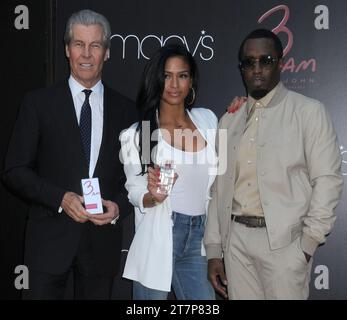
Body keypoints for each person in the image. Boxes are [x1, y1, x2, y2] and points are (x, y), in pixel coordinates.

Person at [2, 9, 135, 299]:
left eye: (95, 45)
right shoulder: (38, 104)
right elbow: (15, 170)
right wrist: (60, 198)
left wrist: (118, 209)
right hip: (48, 243)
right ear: (66, 49)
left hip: (101, 245)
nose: (86, 54)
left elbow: (135, 178)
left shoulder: (127, 110)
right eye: (78, 44)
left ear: (107, 52)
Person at [204, 29, 343, 300]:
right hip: (236, 244)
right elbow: (219, 189)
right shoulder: (229, 121)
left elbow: (328, 180)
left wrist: (306, 245)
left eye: (265, 60)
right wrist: (214, 249)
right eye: (249, 62)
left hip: (285, 245)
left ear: (280, 63)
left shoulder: (309, 112)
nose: (257, 69)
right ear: (241, 68)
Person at [120, 44, 217, 300]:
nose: (174, 84)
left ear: (191, 80)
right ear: (156, 79)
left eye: (182, 75)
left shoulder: (208, 121)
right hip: (161, 233)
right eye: (167, 75)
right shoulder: (141, 133)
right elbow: (135, 191)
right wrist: (154, 196)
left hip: (200, 238)